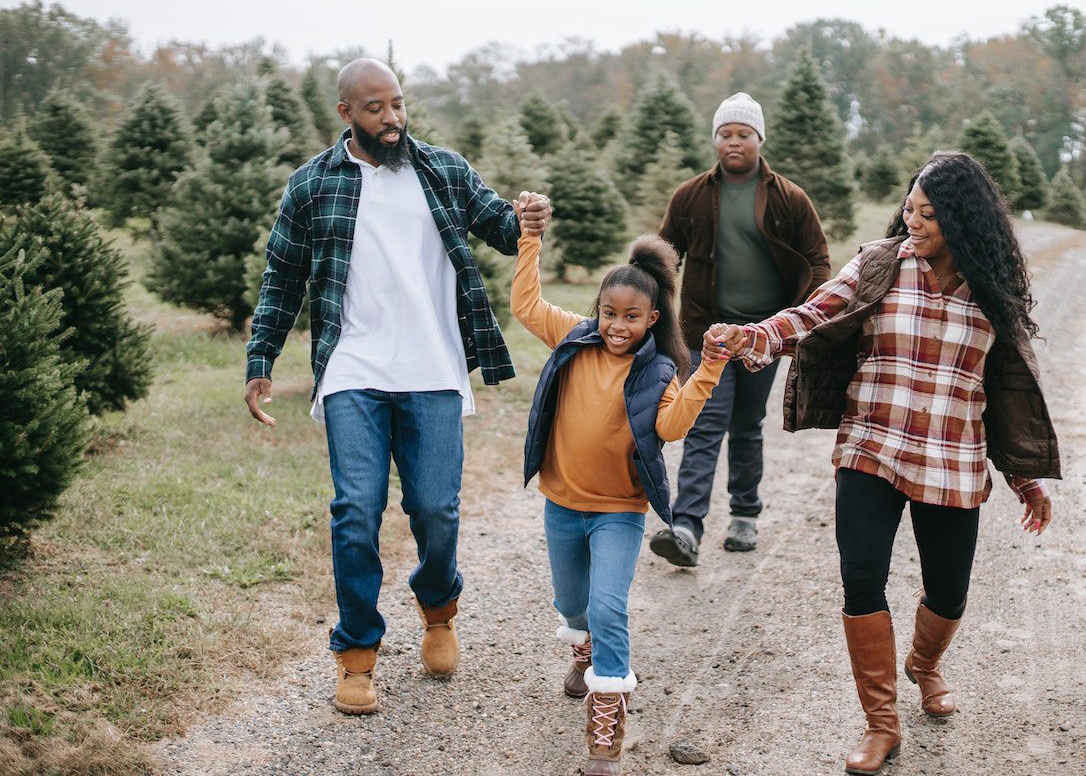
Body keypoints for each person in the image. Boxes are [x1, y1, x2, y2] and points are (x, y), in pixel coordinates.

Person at [715, 151, 1059, 775]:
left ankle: (924, 665)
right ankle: (881, 724)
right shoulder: (883, 263)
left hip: (952, 460)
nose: (914, 222)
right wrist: (755, 336)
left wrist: (1023, 477)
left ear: (962, 220)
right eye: (909, 208)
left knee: (950, 594)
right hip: (870, 447)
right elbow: (814, 313)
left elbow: (1005, 394)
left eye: (929, 214)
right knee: (862, 580)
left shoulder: (991, 289)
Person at [243, 58, 552, 716]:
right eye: (376, 108)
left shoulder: (440, 168)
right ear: (346, 113)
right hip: (352, 367)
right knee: (356, 510)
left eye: (398, 104)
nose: (392, 118)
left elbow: (499, 225)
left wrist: (527, 217)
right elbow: (282, 277)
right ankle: (357, 656)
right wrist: (261, 357)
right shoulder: (311, 185)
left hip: (432, 368)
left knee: (436, 510)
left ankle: (438, 608)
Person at [510, 209, 729, 776]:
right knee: (573, 605)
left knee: (608, 608)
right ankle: (581, 650)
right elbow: (527, 306)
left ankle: (606, 723)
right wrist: (531, 238)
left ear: (652, 319)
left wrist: (708, 369)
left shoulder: (659, 372)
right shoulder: (574, 340)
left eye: (632, 317)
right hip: (562, 502)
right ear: (597, 311)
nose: (617, 325)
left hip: (619, 512)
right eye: (609, 313)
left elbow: (672, 426)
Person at [650, 92, 830, 566]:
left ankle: (744, 515)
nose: (734, 142)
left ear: (759, 139)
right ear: (715, 141)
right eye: (726, 134)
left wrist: (800, 319)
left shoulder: (788, 198)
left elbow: (817, 260)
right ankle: (685, 526)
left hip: (762, 335)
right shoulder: (690, 196)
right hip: (706, 334)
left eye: (743, 134)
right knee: (705, 423)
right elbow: (664, 259)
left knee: (748, 424)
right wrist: (647, 310)